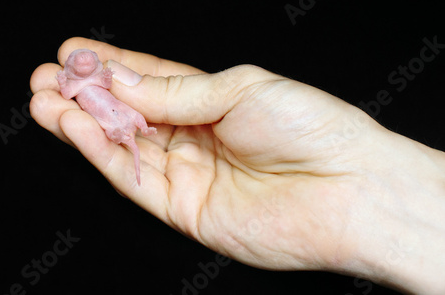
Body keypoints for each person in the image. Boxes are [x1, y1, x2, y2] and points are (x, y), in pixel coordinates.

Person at [30, 37, 445, 294]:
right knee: (119, 127)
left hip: (123, 116)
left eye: (88, 62)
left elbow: (102, 84)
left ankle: (135, 128)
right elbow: (77, 88)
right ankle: (132, 131)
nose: (84, 62)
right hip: (113, 119)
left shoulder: (95, 78)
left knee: (128, 122)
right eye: (79, 64)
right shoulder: (75, 82)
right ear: (73, 70)